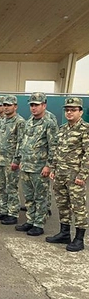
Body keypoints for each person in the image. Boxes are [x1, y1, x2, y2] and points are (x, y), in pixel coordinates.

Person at [46, 97, 89, 252]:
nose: (69, 112)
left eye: (73, 109)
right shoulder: (63, 129)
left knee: (78, 207)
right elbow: (57, 151)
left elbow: (87, 154)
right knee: (62, 205)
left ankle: (79, 239)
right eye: (67, 110)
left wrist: (82, 175)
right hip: (61, 175)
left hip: (75, 176)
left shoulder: (85, 129)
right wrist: (53, 169)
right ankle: (64, 233)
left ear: (81, 111)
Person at [15, 92, 58, 236]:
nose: (33, 108)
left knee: (41, 197)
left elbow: (53, 146)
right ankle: (30, 220)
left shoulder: (49, 124)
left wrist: (48, 165)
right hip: (27, 166)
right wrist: (20, 160)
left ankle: (39, 224)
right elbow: (23, 142)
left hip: (40, 168)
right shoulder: (29, 122)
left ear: (44, 105)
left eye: (36, 105)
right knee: (28, 196)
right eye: (32, 105)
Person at [0, 95, 25, 225]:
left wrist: (17, 160)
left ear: (15, 106)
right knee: (1, 187)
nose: (6, 107)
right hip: (0, 159)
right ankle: (4, 210)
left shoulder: (19, 122)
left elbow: (21, 143)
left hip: (10, 161)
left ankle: (13, 213)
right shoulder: (3, 120)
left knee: (11, 187)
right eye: (4, 105)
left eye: (9, 105)